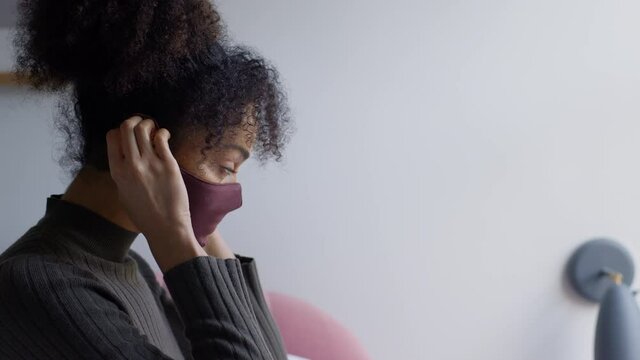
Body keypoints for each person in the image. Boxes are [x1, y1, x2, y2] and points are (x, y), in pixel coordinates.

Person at [0, 0, 293, 359]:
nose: (232, 193)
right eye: (226, 166)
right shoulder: (37, 285)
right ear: (143, 146)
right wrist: (174, 235)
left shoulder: (130, 266)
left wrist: (196, 233)